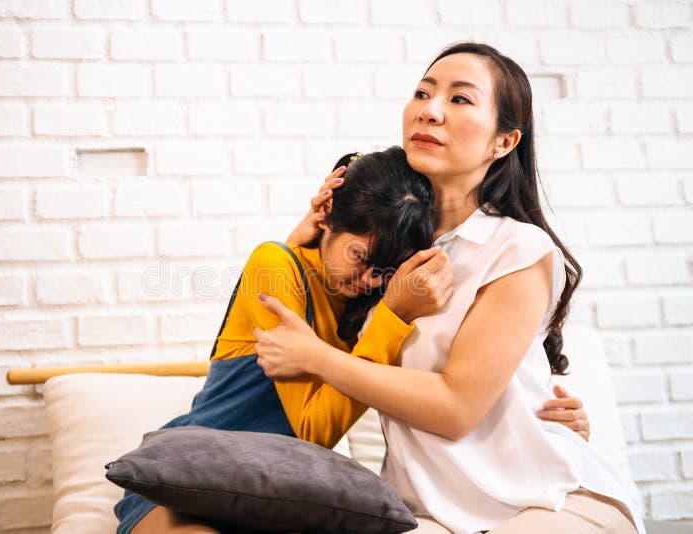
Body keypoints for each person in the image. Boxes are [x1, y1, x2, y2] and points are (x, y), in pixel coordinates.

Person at [255, 43, 642, 534]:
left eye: (460, 99)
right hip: (424, 514)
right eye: (422, 92)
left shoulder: (517, 248)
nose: (430, 110)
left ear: (503, 142)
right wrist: (303, 237)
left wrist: (317, 357)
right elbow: (287, 314)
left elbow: (457, 408)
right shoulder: (381, 251)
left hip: (544, 500)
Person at [115, 147, 594, 534]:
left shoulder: (363, 308)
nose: (369, 279)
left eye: (384, 267)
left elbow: (455, 376)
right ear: (327, 216)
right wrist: (390, 314)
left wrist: (541, 419)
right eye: (360, 255)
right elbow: (312, 431)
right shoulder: (274, 264)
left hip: (279, 497)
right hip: (190, 480)